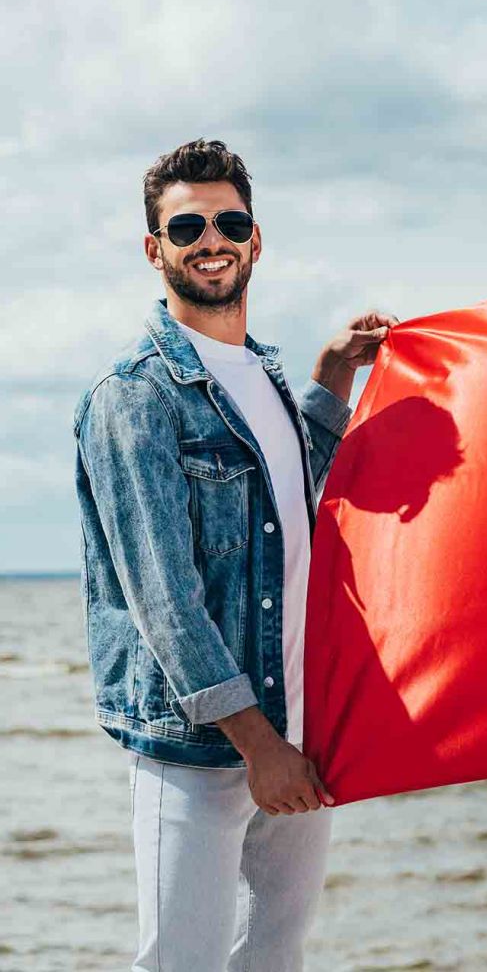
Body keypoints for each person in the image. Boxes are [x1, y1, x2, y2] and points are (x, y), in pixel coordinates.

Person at [73, 138, 397, 971]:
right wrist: (260, 747)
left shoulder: (271, 379)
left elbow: (295, 516)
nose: (210, 238)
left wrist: (329, 383)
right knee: (182, 961)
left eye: (229, 220)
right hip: (203, 747)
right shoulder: (133, 398)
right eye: (186, 226)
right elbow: (164, 603)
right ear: (155, 250)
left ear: (256, 239)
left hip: (299, 726)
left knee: (275, 955)